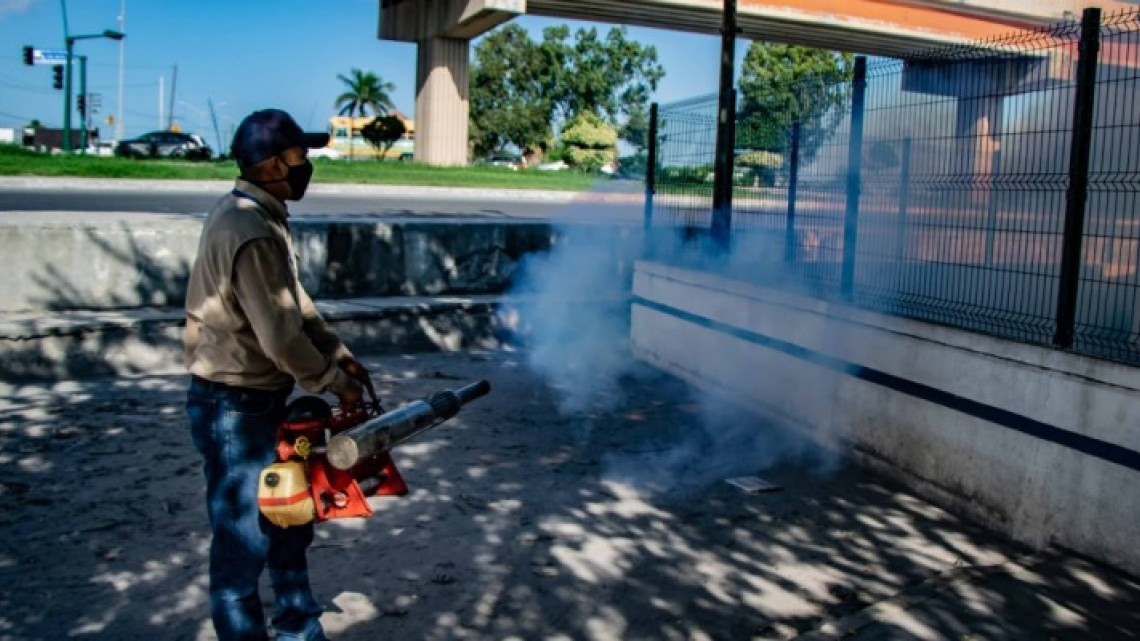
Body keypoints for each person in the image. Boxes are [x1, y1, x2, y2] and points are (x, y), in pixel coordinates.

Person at [184, 108, 370, 641]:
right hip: (236, 407)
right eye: (298, 158)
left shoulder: (255, 213)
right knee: (242, 545)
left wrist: (337, 351)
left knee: (290, 520)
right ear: (270, 166)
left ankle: (297, 627)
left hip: (256, 399)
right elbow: (281, 338)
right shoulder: (250, 228)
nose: (306, 166)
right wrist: (338, 383)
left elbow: (296, 305)